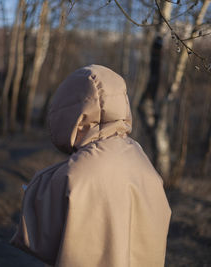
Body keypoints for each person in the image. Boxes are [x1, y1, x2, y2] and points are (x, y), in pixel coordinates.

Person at [10, 64, 171, 267]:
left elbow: (37, 240)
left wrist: (36, 189)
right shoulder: (143, 163)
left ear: (72, 112)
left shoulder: (74, 175)